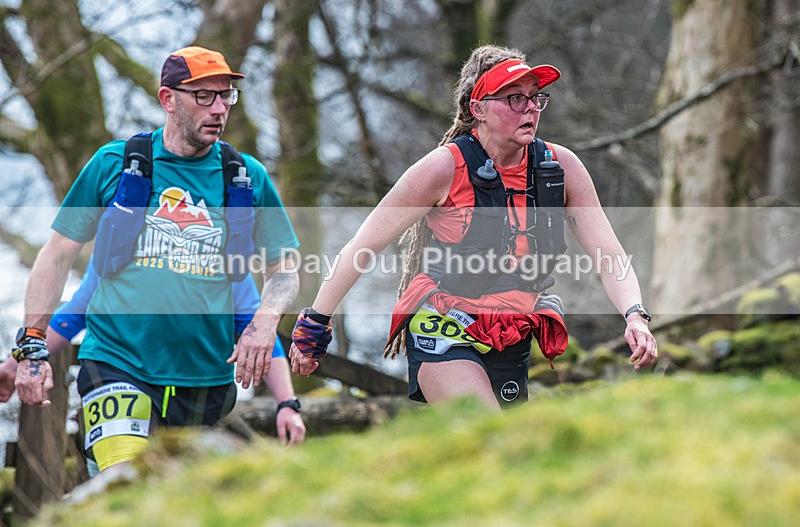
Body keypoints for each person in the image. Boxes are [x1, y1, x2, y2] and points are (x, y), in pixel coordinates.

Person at [290, 44, 657, 410]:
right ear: (477, 109)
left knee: (508, 458)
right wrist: (314, 326)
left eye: (535, 98)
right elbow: (362, 247)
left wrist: (635, 316)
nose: (530, 107)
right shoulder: (442, 169)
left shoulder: (562, 167)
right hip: (444, 328)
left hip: (512, 332)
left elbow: (609, 254)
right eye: (514, 98)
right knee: (490, 434)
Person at [11, 46, 300, 472]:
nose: (220, 108)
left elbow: (285, 269)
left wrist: (266, 321)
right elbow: (54, 258)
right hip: (116, 361)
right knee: (125, 485)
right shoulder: (115, 163)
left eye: (226, 96)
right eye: (205, 96)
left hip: (206, 380)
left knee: (179, 509)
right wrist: (31, 348)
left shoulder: (247, 177)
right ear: (168, 99)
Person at [1, 258, 306, 446]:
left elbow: (259, 332)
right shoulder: (121, 238)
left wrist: (287, 404)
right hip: (118, 373)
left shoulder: (225, 259)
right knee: (123, 480)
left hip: (200, 392)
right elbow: (77, 311)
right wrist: (18, 361)